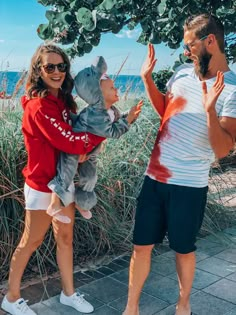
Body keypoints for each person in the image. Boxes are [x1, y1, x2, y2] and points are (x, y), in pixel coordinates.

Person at [123, 13, 236, 315]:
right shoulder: (183, 72)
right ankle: (131, 308)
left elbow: (223, 149)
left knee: (183, 250)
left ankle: (182, 306)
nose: (186, 52)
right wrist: (147, 79)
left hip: (189, 185)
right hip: (154, 179)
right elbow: (166, 112)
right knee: (140, 246)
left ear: (210, 41)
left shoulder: (233, 89)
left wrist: (211, 110)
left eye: (190, 45)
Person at [1, 44, 105, 315]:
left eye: (62, 66)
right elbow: (68, 141)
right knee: (31, 241)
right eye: (50, 66)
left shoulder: (63, 102)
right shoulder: (38, 107)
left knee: (66, 238)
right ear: (39, 70)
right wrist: (99, 135)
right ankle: (11, 298)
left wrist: (82, 149)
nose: (57, 71)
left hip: (63, 180)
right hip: (41, 184)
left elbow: (73, 138)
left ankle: (69, 293)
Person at [46, 56, 143, 223]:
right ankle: (54, 204)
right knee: (66, 174)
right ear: (98, 94)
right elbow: (112, 132)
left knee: (90, 177)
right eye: (112, 88)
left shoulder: (111, 110)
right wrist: (128, 120)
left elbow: (116, 122)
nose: (116, 90)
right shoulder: (96, 113)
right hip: (75, 146)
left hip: (89, 150)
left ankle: (82, 203)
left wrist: (129, 116)